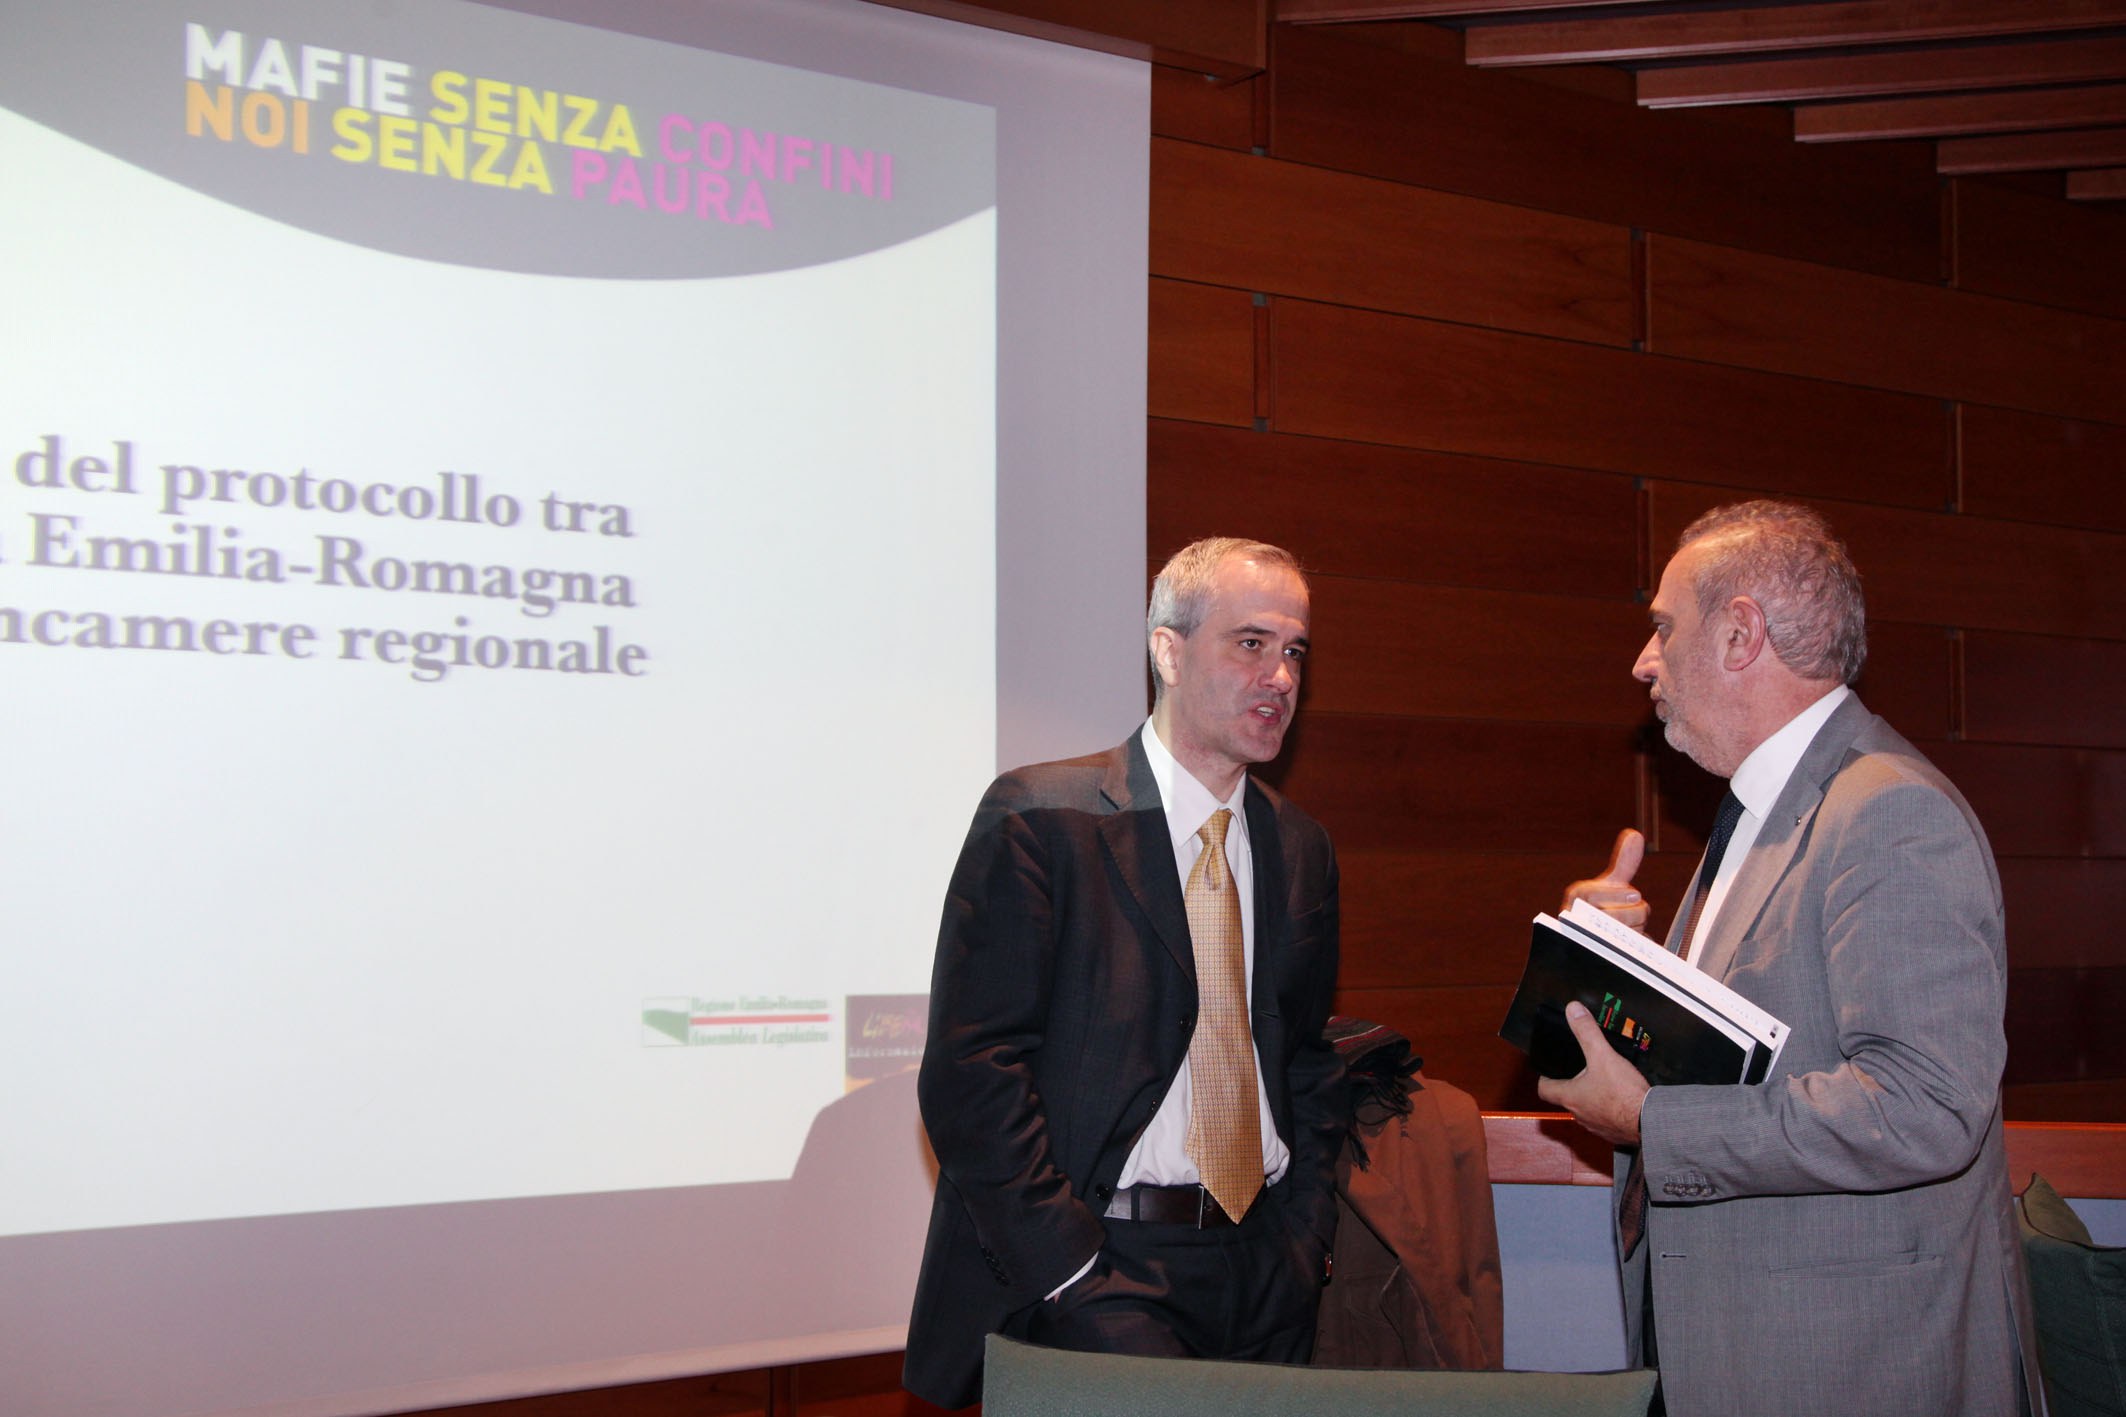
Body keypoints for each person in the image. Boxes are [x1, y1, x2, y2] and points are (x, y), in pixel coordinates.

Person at [1543, 500, 2043, 1416]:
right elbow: (1756, 1047)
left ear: (1740, 634)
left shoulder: (1889, 810)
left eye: (1663, 627)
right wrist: (1610, 966)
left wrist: (1654, 1121)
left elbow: (1927, 1105)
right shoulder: (1761, 810)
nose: (1643, 660)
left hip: (1852, 1367)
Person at [902, 537, 1346, 1410]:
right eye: (1251, 643)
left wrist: (1306, 1237)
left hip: (1267, 1272)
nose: (1281, 677)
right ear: (1167, 651)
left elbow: (1306, 1058)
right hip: (1104, 1271)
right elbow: (971, 1073)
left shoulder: (1300, 847)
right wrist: (1067, 1270)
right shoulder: (1043, 820)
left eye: (1296, 652)